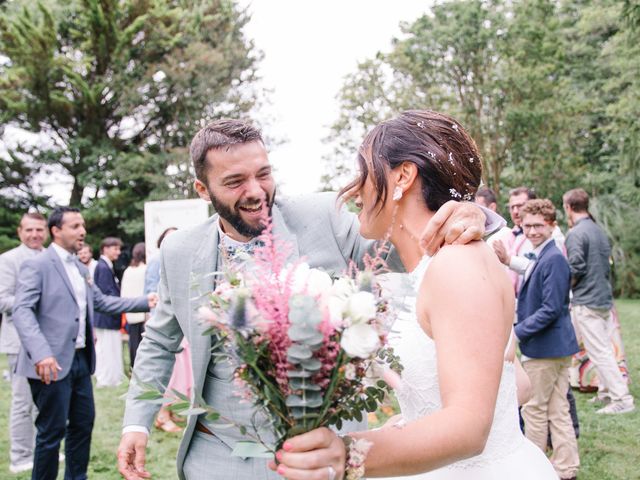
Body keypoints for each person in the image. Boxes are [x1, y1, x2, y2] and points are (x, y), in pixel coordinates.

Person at [117, 118, 503, 480]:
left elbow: (415, 247)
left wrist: (472, 215)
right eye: (235, 181)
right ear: (203, 189)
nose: (255, 191)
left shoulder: (324, 218)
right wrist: (137, 422)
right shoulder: (179, 251)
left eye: (263, 174)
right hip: (217, 455)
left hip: (323, 453)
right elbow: (158, 341)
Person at [271, 110, 556, 480]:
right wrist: (416, 421)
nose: (355, 187)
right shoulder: (435, 268)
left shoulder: (458, 264)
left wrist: (346, 454)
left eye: (364, 169)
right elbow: (518, 384)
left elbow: (470, 428)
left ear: (403, 175)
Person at [12, 207, 156, 480]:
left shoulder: (80, 267)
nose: (83, 231)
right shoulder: (37, 264)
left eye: (83, 225)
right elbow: (22, 310)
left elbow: (102, 302)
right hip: (50, 364)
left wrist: (145, 300)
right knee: (51, 433)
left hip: (80, 360)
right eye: (76, 226)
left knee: (82, 425)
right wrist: (41, 353)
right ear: (56, 231)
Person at [515, 199, 580, 480]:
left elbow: (551, 309)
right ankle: (565, 468)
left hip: (546, 348)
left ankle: (535, 469)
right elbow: (530, 274)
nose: (531, 231)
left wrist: (516, 331)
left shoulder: (553, 258)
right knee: (558, 409)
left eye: (538, 226)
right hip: (556, 346)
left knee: (535, 410)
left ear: (552, 225)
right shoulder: (542, 255)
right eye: (527, 225)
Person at [563, 188, 635, 414]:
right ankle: (605, 393)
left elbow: (575, 268)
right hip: (604, 298)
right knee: (603, 349)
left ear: (568, 207)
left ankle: (621, 399)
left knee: (600, 352)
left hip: (587, 300)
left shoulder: (576, 233)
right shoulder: (598, 230)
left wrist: (565, 290)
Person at [0, 212, 47, 474]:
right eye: (29, 230)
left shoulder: (49, 256)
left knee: (46, 402)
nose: (34, 235)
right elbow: (2, 299)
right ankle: (19, 456)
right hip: (19, 341)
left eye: (39, 230)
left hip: (48, 343)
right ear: (20, 232)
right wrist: (37, 302)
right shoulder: (8, 261)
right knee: (22, 402)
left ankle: (42, 448)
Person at [144, 228, 185, 434]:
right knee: (166, 371)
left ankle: (170, 409)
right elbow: (151, 292)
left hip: (181, 323)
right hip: (165, 324)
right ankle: (161, 415)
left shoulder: (181, 260)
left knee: (179, 373)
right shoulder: (156, 259)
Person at [94, 236, 126, 387]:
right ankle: (108, 379)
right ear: (105, 249)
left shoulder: (106, 266)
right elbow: (107, 293)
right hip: (106, 317)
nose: (118, 252)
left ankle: (109, 377)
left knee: (106, 348)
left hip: (106, 317)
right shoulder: (103, 267)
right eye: (115, 248)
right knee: (108, 349)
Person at [121, 242, 147, 369]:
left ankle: (134, 367)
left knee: (133, 343)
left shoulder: (128, 271)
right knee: (144, 343)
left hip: (131, 311)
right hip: (144, 312)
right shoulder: (146, 269)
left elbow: (123, 293)